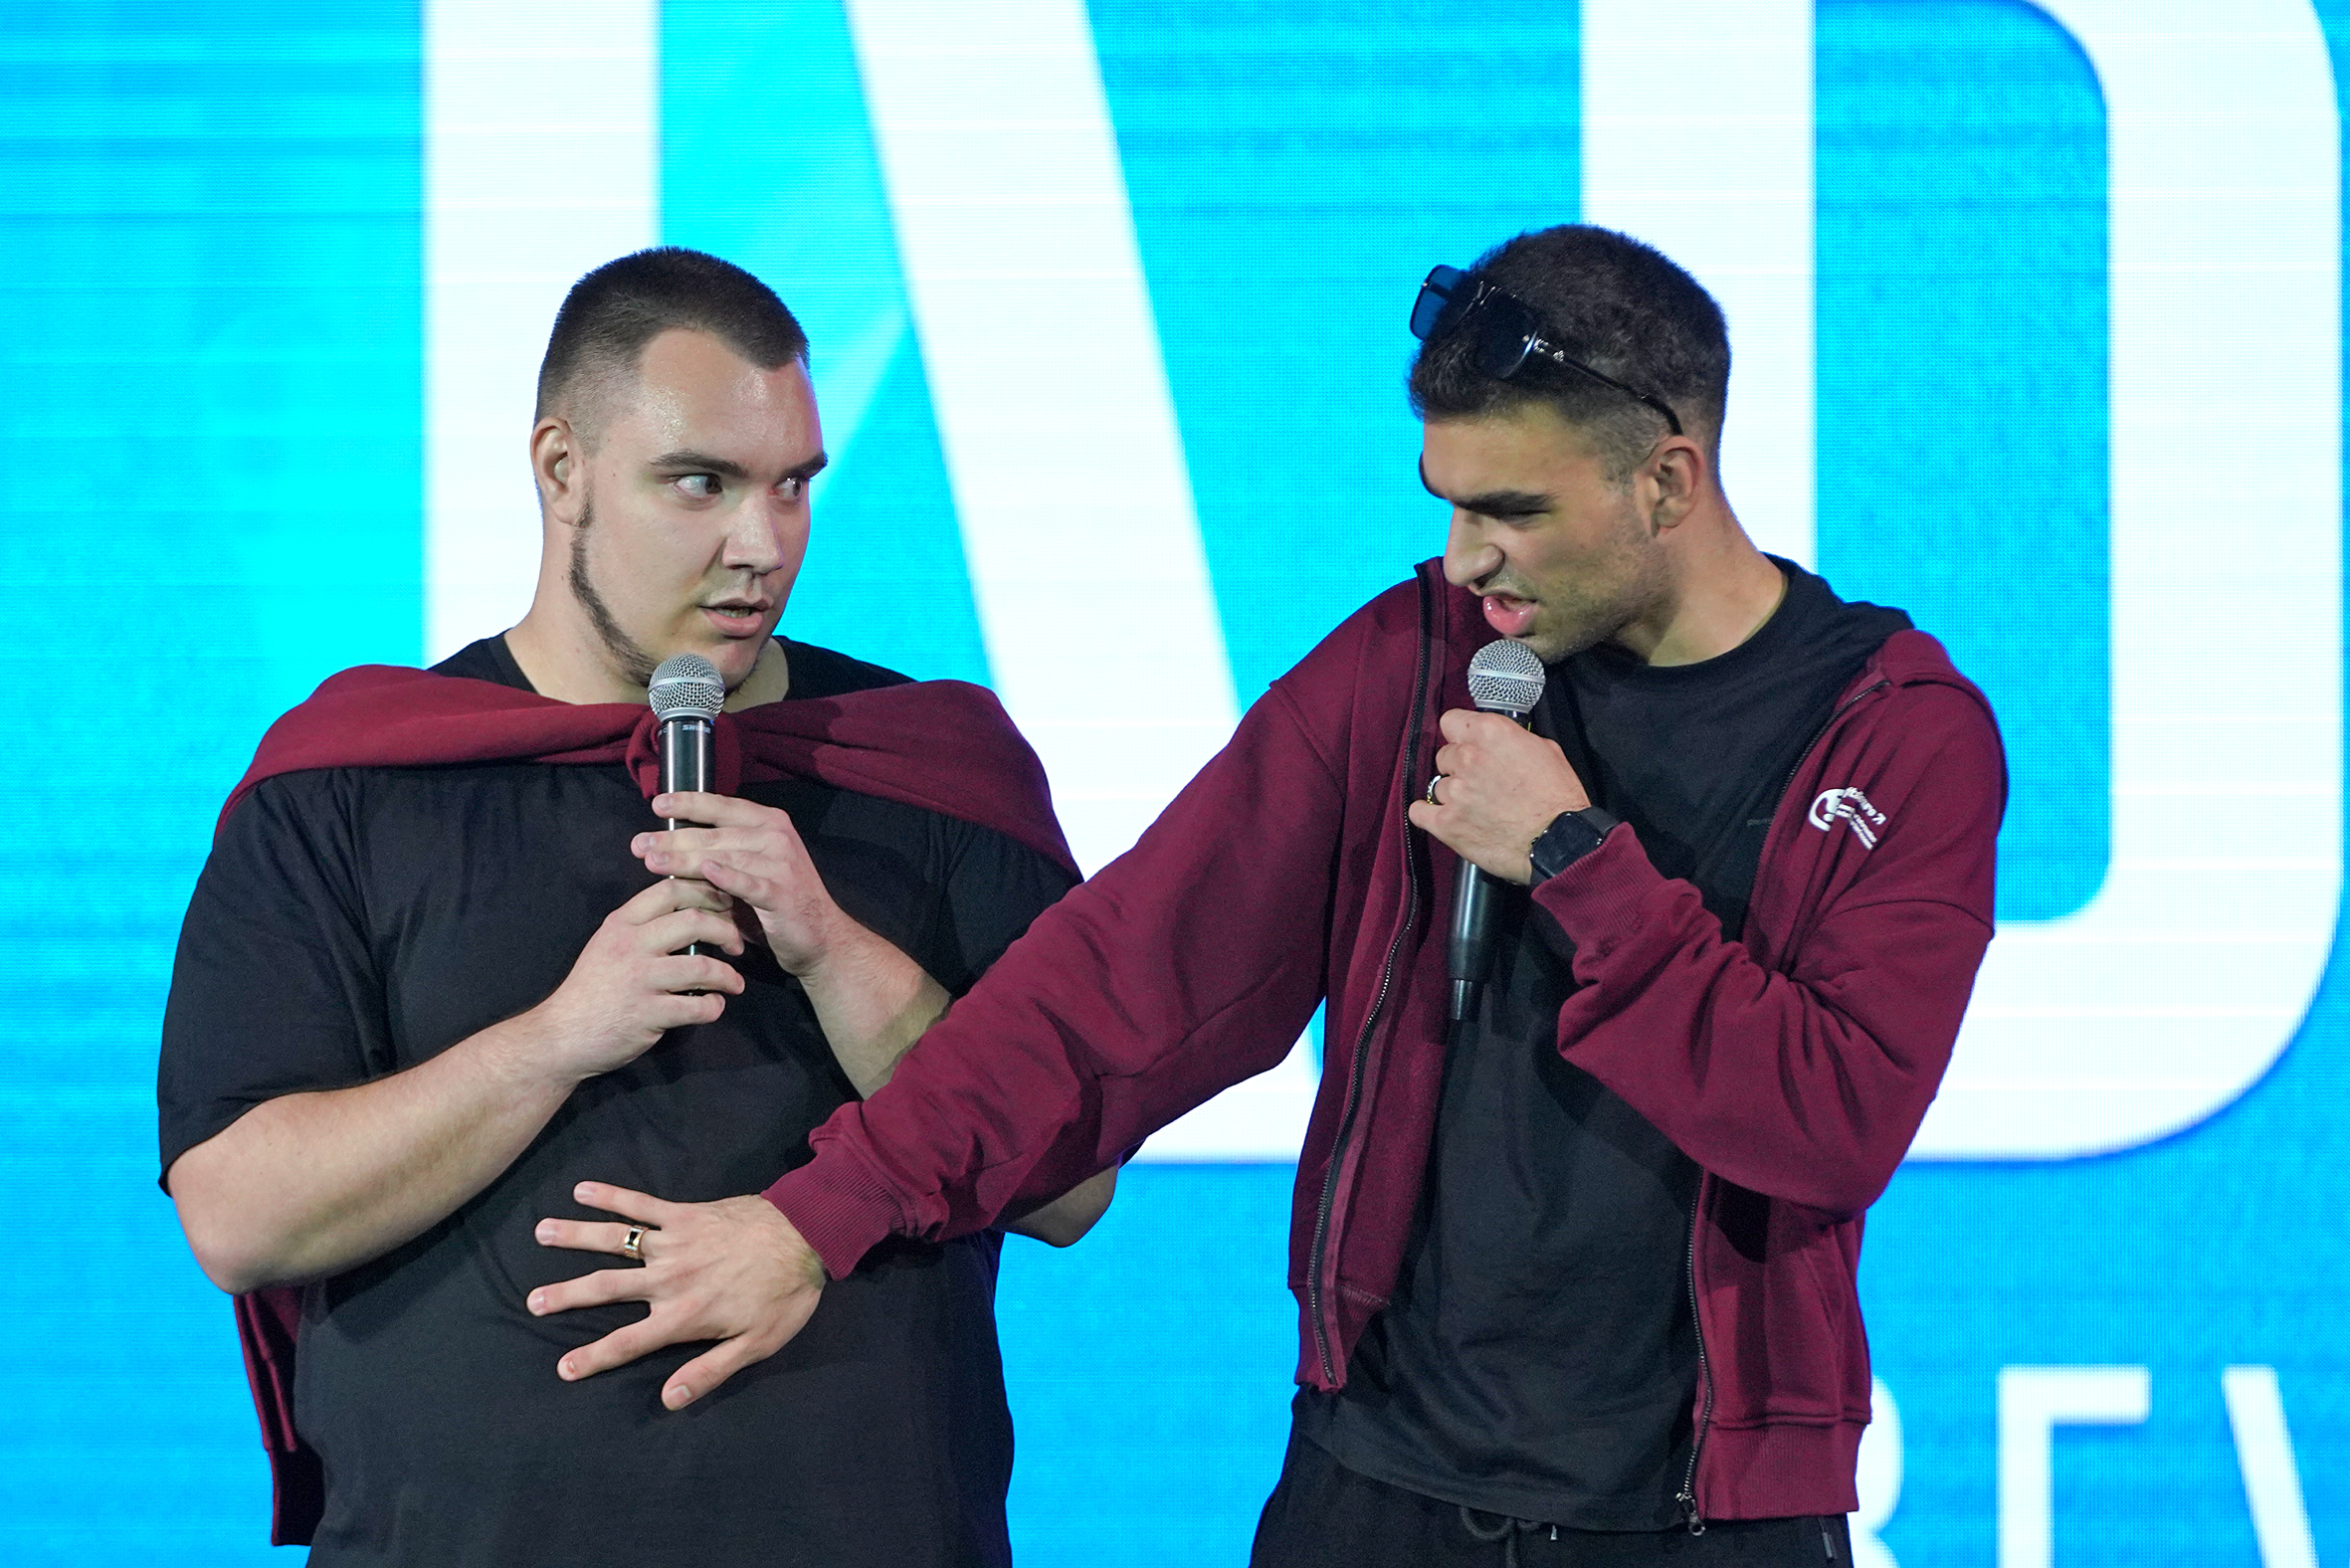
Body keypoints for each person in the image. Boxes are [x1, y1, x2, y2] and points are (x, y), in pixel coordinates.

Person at [532, 226, 2007, 1560]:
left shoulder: (1894, 733)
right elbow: (1120, 985)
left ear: (1667, 482)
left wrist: (1573, 861)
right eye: (1446, 505)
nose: (1466, 561)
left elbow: (1828, 1122)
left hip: (1701, 1519)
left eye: (1512, 510)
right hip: (1374, 1492)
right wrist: (817, 1217)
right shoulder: (1413, 664)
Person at [158, 246, 1115, 1567]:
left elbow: (1069, 1189)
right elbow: (239, 1217)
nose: (759, 546)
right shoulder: (350, 782)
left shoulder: (928, 769)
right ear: (562, 470)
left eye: (792, 486)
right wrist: (553, 1040)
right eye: (700, 484)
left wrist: (839, 954)